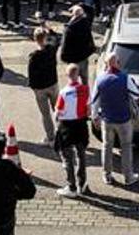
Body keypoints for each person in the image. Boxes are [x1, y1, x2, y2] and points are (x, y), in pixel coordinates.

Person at [91, 52, 139, 186]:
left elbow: (94, 101)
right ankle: (128, 177)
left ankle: (107, 176)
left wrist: (94, 116)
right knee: (126, 147)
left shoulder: (100, 79)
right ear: (118, 63)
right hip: (124, 120)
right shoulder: (125, 78)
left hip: (107, 120)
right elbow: (136, 95)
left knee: (107, 147)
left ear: (106, 64)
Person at [54, 63, 91, 197]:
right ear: (78, 74)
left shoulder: (63, 92)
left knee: (67, 157)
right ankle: (82, 184)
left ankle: (72, 186)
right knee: (81, 155)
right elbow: (88, 109)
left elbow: (57, 112)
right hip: (81, 125)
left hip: (67, 126)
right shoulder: (86, 89)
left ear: (67, 75)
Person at [27, 27, 59, 144]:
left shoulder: (34, 56)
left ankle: (51, 138)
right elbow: (57, 39)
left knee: (46, 115)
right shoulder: (51, 50)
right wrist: (49, 30)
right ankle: (63, 134)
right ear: (46, 38)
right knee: (58, 110)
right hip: (53, 84)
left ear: (35, 39)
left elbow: (31, 75)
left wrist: (33, 87)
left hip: (40, 88)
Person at [59, 4, 96, 84]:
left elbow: (64, 45)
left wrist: (63, 57)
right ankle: (85, 92)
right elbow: (91, 10)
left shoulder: (69, 29)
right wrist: (80, 5)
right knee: (84, 78)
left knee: (72, 80)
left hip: (73, 59)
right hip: (83, 57)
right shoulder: (86, 24)